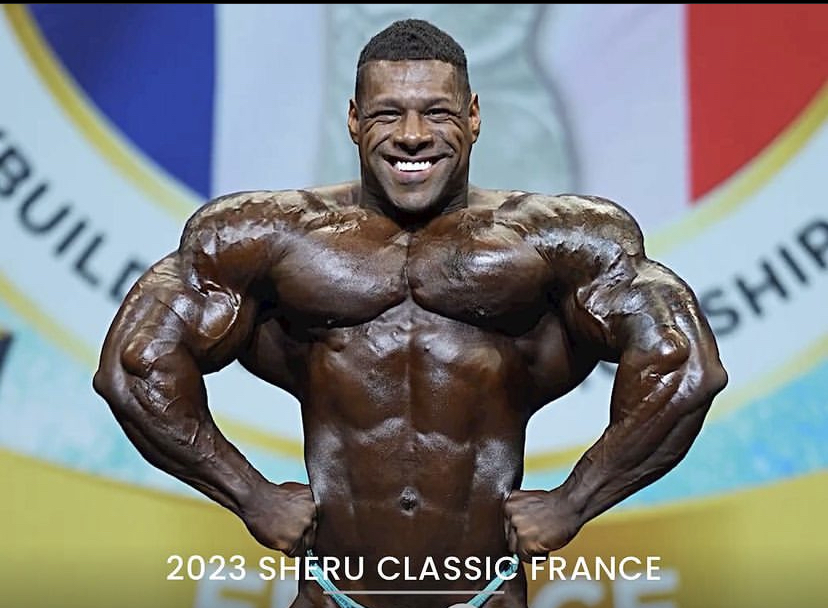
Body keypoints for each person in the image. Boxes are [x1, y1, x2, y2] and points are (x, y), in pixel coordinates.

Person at [93, 18, 727, 608]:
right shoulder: (271, 237)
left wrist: (575, 501)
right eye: (388, 113)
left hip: (483, 596)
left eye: (438, 112)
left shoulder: (552, 240)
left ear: (473, 117)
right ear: (353, 119)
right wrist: (248, 494)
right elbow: (136, 365)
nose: (413, 135)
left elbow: (682, 367)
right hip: (334, 596)